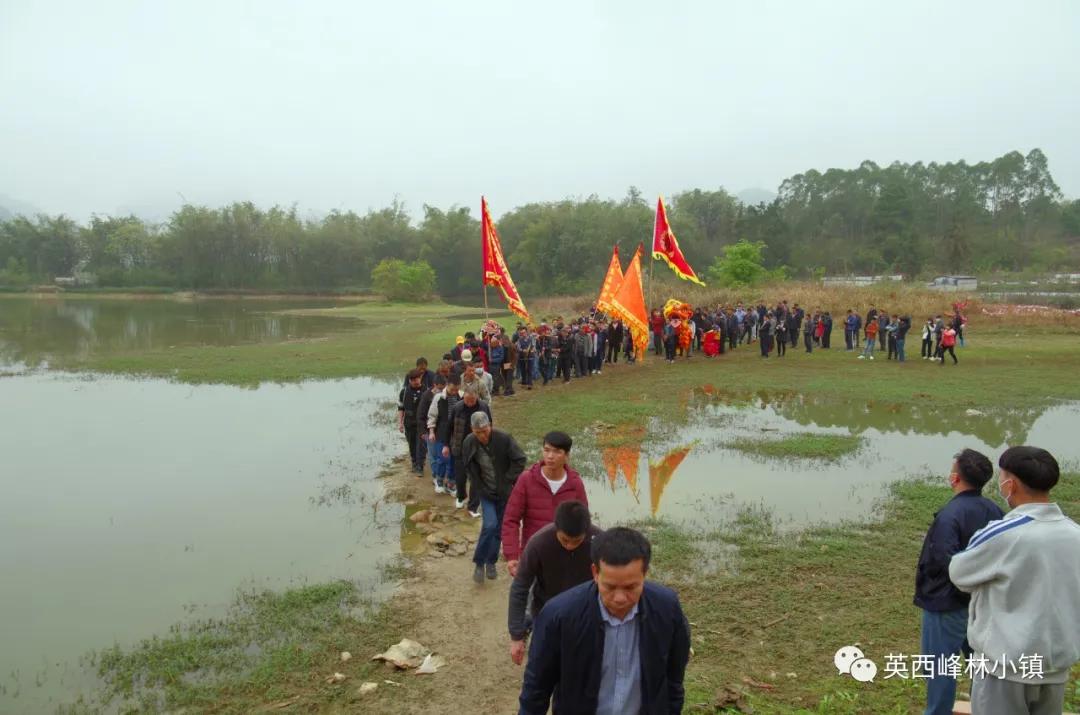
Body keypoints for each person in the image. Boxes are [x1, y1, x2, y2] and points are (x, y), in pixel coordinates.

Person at [949, 447, 1080, 715]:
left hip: (1003, 670)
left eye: (1002, 477)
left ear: (1011, 484)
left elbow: (959, 573)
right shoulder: (1074, 533)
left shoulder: (1004, 533)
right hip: (1054, 668)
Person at [518, 527, 692, 715]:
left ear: (645, 573)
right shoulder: (559, 616)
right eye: (609, 586)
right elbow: (536, 689)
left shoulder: (667, 609)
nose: (619, 598)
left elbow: (674, 680)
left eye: (630, 587)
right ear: (595, 572)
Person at [913, 449, 1003, 715]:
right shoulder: (995, 510)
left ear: (955, 479)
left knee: (940, 668)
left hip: (945, 606)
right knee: (979, 665)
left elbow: (946, 561)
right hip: (980, 604)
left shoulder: (950, 515)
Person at [508, 500, 601, 665]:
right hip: (546, 612)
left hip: (585, 615)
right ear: (556, 527)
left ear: (586, 532)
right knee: (543, 665)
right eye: (565, 540)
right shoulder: (538, 544)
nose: (570, 546)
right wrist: (516, 635)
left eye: (576, 541)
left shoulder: (600, 542)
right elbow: (520, 587)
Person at [501, 431, 589, 577]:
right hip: (533, 555)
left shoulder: (575, 483)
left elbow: (583, 523)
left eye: (557, 452)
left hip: (565, 558)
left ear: (567, 456)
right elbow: (511, 519)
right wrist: (512, 556)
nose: (550, 456)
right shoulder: (526, 479)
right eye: (547, 450)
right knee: (530, 598)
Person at [462, 412, 526, 583]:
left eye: (484, 430)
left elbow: (520, 459)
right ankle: (479, 563)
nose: (482, 435)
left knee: (499, 530)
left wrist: (507, 480)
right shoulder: (469, 442)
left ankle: (491, 562)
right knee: (490, 525)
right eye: (478, 432)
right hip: (485, 492)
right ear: (472, 430)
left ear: (490, 425)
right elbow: (467, 467)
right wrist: (474, 491)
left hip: (504, 492)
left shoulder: (504, 439)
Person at [448, 386, 492, 515]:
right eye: (467, 400)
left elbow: (490, 425)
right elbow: (449, 427)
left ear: (476, 397)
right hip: (460, 447)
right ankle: (461, 497)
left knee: (477, 477)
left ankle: (473, 506)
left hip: (478, 447)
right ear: (464, 398)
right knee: (460, 477)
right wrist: (446, 444)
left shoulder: (483, 407)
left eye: (472, 400)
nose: (469, 403)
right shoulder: (457, 407)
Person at [426, 375, 461, 495]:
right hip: (441, 432)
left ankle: (451, 483)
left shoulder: (461, 396)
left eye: (456, 389)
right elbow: (432, 416)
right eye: (452, 389)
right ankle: (439, 480)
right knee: (443, 458)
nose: (454, 392)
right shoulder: (438, 398)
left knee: (454, 460)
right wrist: (431, 432)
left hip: (457, 434)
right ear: (447, 385)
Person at [397, 369, 427, 475]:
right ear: (409, 380)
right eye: (413, 379)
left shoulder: (426, 391)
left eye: (417, 378)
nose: (416, 381)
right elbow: (401, 408)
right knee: (412, 444)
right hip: (409, 423)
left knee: (421, 445)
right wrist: (400, 423)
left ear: (420, 378)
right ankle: (414, 462)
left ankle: (420, 466)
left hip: (422, 424)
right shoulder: (404, 392)